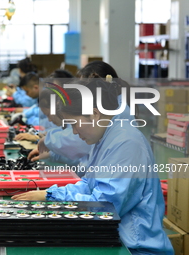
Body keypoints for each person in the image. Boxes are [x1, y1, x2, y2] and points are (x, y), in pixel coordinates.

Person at [12, 78, 174, 255]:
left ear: (95, 114)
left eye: (74, 124)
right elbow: (88, 184)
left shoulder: (126, 143)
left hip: (136, 248)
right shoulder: (105, 137)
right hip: (116, 237)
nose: (74, 132)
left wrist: (53, 197)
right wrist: (50, 194)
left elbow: (104, 204)